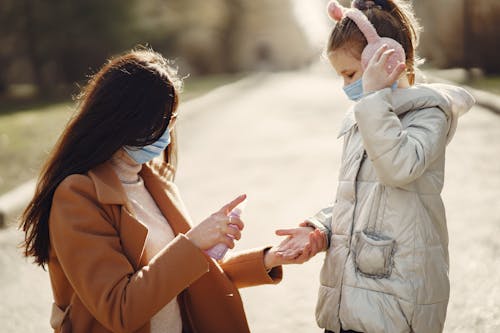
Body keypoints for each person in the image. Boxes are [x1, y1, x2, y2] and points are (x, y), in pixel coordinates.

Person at [19, 49, 306, 333]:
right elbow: (120, 310)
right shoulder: (78, 196)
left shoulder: (154, 180)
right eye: (160, 120)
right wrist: (193, 242)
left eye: (173, 119)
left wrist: (267, 259)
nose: (168, 131)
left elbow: (183, 275)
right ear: (124, 119)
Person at [275, 1, 475, 332]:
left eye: (350, 74)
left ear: (387, 59)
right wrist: (320, 229)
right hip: (350, 299)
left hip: (394, 300)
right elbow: (359, 199)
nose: (346, 86)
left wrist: (372, 101)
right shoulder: (365, 116)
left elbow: (398, 168)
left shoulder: (428, 113)